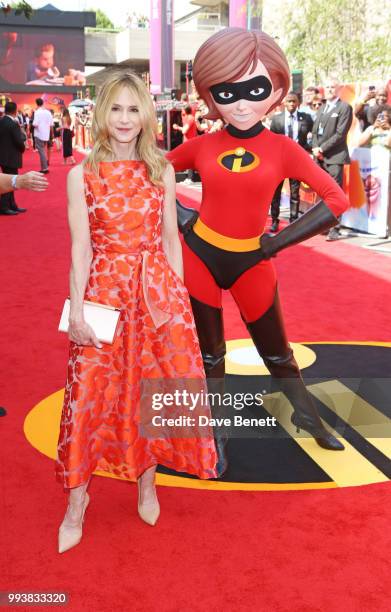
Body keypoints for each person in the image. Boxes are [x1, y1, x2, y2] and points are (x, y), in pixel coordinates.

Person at [167, 27, 350, 457]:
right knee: (210, 357)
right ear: (211, 94)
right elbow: (147, 170)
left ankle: (307, 416)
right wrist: (178, 215)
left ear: (277, 88)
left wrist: (274, 244)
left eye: (254, 87)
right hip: (200, 256)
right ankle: (216, 437)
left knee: (279, 355)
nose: (241, 101)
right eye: (227, 91)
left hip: (252, 259)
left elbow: (336, 200)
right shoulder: (203, 144)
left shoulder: (284, 148)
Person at [56, 71, 218, 554]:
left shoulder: (160, 170)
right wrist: (79, 312)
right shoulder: (81, 175)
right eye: (116, 109)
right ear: (102, 113)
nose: (125, 119)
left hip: (156, 296)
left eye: (133, 109)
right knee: (88, 395)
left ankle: (147, 483)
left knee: (152, 389)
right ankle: (76, 502)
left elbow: (171, 240)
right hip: (104, 293)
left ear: (145, 114)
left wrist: (180, 306)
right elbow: (80, 250)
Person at [312, 77, 353, 241]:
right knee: (323, 193)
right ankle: (324, 225)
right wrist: (316, 148)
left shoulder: (344, 107)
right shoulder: (322, 108)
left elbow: (340, 134)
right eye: (327, 87)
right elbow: (315, 131)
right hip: (320, 157)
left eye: (332, 87)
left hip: (335, 157)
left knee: (335, 193)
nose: (329, 89)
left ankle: (335, 228)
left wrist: (322, 148)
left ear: (338, 89)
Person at [269, 91, 313, 231]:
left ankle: (293, 221)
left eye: (294, 101)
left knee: (295, 193)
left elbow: (312, 135)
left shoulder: (305, 118)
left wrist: (309, 149)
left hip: (296, 160)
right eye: (289, 101)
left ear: (298, 103)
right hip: (279, 161)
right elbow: (272, 140)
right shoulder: (277, 120)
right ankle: (275, 220)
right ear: (284, 103)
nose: (292, 104)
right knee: (276, 191)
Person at [0, 101, 27, 215]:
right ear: (15, 111)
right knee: (11, 181)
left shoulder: (1, 121)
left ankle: (12, 205)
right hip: (11, 157)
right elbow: (19, 141)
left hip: (3, 156)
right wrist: (22, 147)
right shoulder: (13, 123)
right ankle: (5, 206)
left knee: (8, 180)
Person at [173, 105, 198, 184]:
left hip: (190, 142)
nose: (181, 112)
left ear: (185, 110)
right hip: (188, 142)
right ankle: (189, 177)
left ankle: (190, 178)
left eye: (182, 110)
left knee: (189, 160)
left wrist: (177, 127)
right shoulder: (189, 118)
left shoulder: (190, 118)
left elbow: (184, 130)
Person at [33, 98, 53, 174]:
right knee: (43, 151)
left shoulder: (37, 112)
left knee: (41, 152)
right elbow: (51, 124)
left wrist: (32, 124)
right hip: (46, 135)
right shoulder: (48, 112)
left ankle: (44, 168)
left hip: (39, 134)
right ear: (42, 103)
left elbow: (35, 124)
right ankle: (45, 167)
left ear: (36, 104)